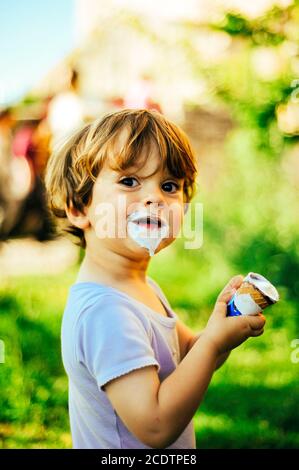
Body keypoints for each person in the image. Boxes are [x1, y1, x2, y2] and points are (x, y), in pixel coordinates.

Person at [44, 108, 266, 449]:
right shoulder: (106, 312)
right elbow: (156, 426)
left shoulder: (139, 287)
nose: (155, 198)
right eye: (129, 181)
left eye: (169, 186)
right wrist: (212, 344)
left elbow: (190, 354)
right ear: (79, 207)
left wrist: (223, 326)